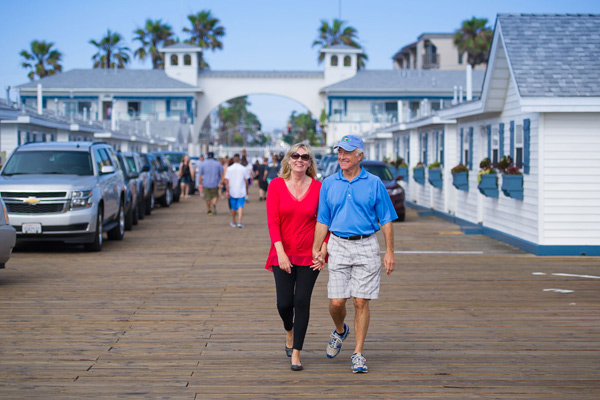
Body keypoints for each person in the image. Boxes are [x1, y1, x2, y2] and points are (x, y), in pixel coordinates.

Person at [312, 135, 397, 374]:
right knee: (337, 301)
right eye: (340, 152)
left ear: (360, 155)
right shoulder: (329, 183)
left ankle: (358, 353)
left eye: (347, 152)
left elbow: (386, 218)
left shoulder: (374, 183)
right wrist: (316, 249)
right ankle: (340, 330)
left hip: (366, 245)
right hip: (338, 244)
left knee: (361, 301)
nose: (342, 157)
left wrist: (389, 251)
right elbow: (323, 219)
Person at [266, 143, 327, 372]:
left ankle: (297, 353)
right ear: (288, 160)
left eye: (305, 156)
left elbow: (325, 221)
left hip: (310, 253)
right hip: (282, 252)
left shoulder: (320, 188)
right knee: (284, 304)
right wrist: (280, 252)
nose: (300, 159)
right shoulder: (276, 185)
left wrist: (324, 248)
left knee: (301, 301)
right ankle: (288, 330)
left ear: (310, 162)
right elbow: (273, 222)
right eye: (295, 156)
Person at [225, 154, 250, 228]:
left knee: (233, 207)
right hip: (241, 190)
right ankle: (239, 221)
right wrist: (247, 190)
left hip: (232, 190)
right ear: (239, 160)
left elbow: (227, 181)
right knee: (240, 207)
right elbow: (246, 181)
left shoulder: (229, 168)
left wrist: (227, 190)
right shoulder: (243, 168)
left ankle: (233, 221)